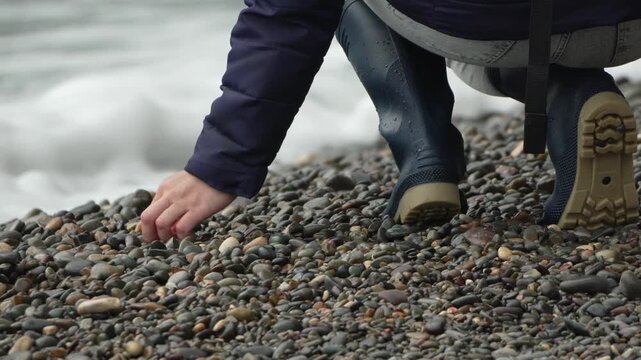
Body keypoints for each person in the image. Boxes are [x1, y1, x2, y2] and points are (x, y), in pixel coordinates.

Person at [141, 0, 641, 242]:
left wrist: (218, 166)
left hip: (492, 27)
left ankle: (427, 160)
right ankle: (574, 93)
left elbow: (286, 16)